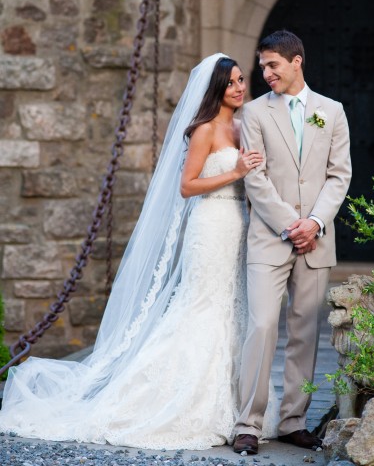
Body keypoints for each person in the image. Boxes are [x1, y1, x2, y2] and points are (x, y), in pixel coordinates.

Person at [0, 54, 276, 450]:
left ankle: (236, 403)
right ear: (217, 88)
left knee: (233, 308)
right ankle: (174, 397)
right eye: (232, 82)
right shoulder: (204, 130)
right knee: (202, 305)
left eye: (240, 80)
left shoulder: (241, 126)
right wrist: (236, 172)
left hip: (238, 224)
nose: (240, 87)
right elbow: (187, 186)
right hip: (210, 225)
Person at [233, 30, 352, 455]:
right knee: (262, 326)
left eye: (272, 66)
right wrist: (291, 224)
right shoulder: (253, 114)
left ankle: (292, 421)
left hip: (316, 242)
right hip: (270, 238)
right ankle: (248, 423)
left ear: (296, 61)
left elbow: (340, 175)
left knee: (304, 332)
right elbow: (255, 177)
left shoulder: (332, 112)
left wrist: (315, 223)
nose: (264, 74)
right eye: (262, 66)